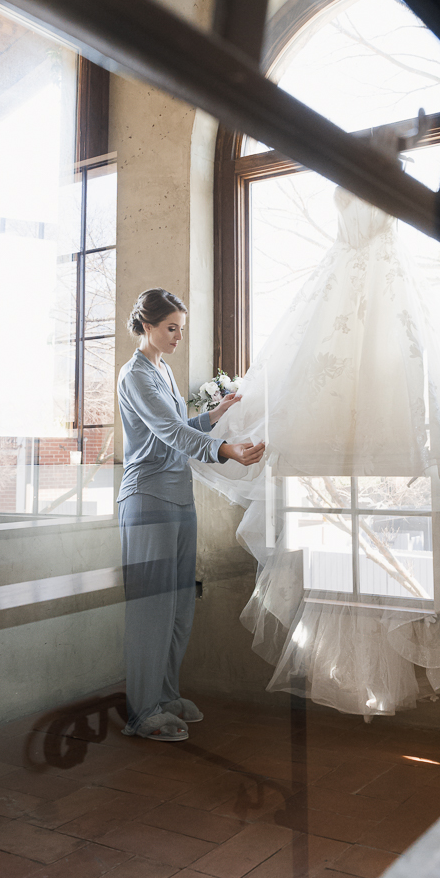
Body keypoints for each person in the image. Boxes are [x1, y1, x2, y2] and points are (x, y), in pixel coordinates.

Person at [117, 288, 264, 741]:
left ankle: (163, 696)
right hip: (147, 499)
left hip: (180, 499)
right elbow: (167, 432)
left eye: (181, 328)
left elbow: (180, 428)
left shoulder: (164, 370)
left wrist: (216, 414)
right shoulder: (136, 375)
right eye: (171, 328)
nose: (178, 336)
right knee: (152, 608)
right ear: (147, 326)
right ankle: (141, 712)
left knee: (180, 604)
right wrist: (225, 450)